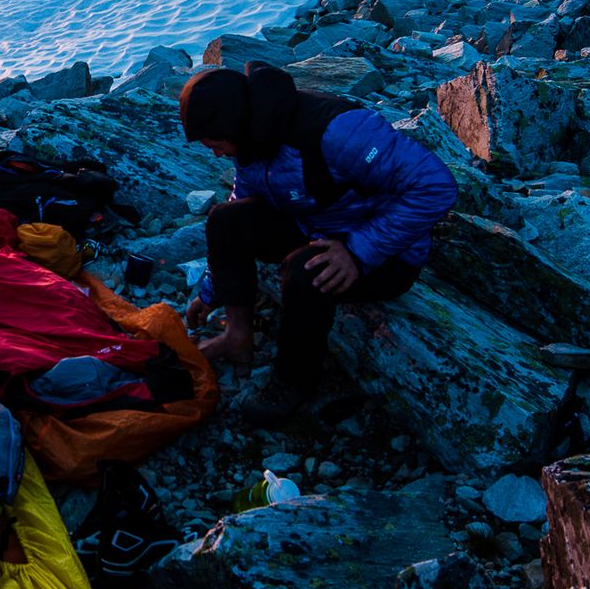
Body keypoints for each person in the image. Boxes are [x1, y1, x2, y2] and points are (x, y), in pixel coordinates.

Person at [179, 62, 457, 424]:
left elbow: (435, 185)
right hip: (317, 225)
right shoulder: (252, 136)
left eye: (215, 144)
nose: (215, 153)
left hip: (388, 252)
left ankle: (293, 383)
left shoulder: (337, 131)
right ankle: (237, 335)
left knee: (305, 271)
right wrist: (214, 288)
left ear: (234, 125)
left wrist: (359, 251)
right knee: (225, 219)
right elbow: (244, 198)